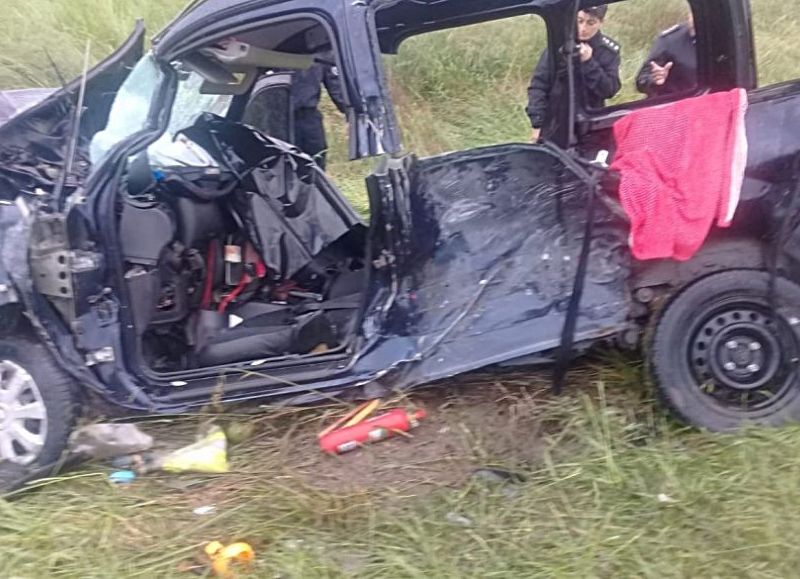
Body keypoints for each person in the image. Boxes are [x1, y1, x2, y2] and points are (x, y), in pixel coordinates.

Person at [526, 5, 621, 142]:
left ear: (601, 22)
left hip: (592, 121)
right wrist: (537, 124)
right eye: (580, 20)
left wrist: (589, 63)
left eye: (591, 23)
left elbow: (609, 89)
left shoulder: (607, 51)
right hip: (556, 122)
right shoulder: (559, 46)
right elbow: (538, 86)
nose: (583, 29)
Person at [288, 58, 347, 170]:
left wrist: (351, 113)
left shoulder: (320, 50)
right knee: (281, 162)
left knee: (316, 159)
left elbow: (335, 84)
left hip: (309, 116)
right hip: (277, 115)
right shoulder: (274, 43)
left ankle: (315, 186)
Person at [635, 11, 697, 98]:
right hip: (675, 104)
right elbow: (642, 80)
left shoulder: (719, 39)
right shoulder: (670, 40)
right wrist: (654, 80)